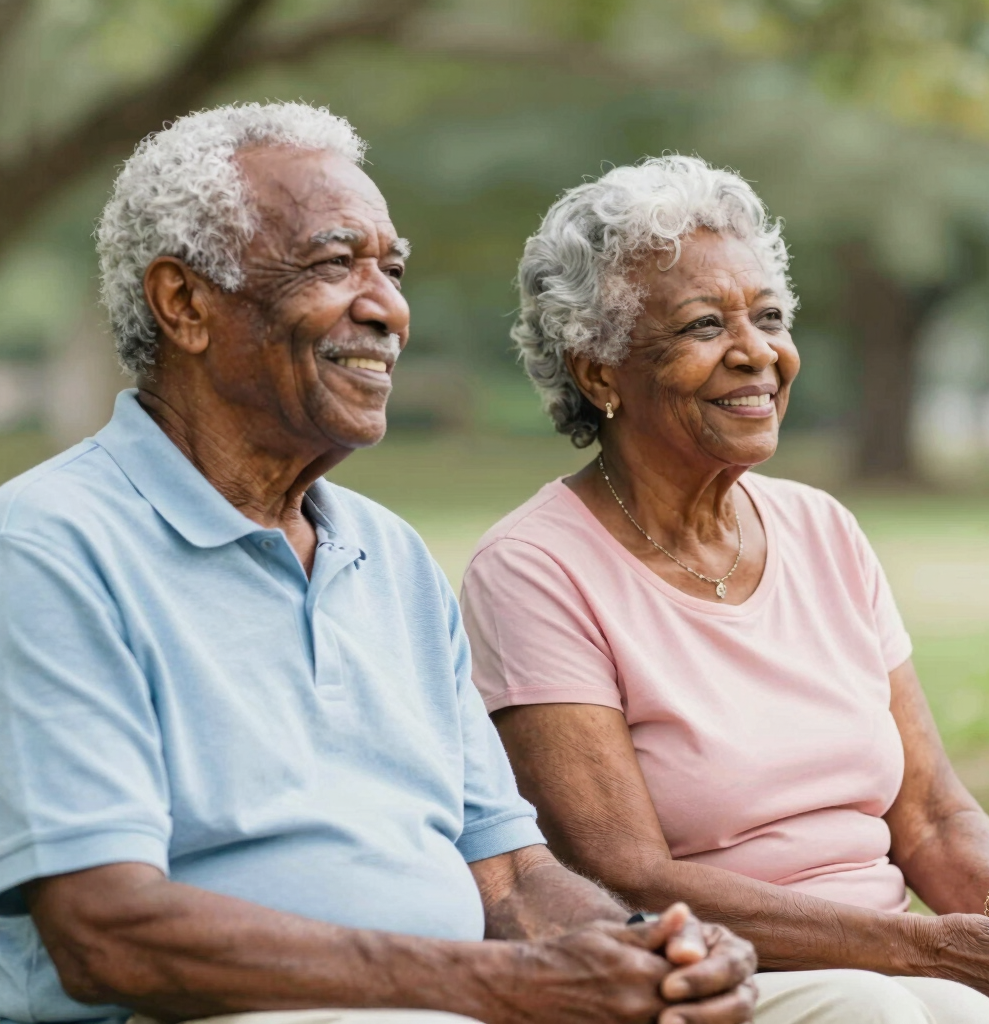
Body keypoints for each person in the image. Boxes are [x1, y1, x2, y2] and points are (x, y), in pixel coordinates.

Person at [0, 106, 761, 1024]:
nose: (388, 308)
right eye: (333, 264)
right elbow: (107, 932)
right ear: (185, 304)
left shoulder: (388, 555)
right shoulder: (45, 549)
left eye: (391, 271)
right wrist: (506, 987)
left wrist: (646, 951)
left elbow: (513, 879)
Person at [459, 155, 989, 1022]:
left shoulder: (822, 528)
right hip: (717, 975)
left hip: (901, 965)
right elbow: (623, 874)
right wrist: (925, 951)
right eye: (701, 326)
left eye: (768, 316)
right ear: (598, 371)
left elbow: (933, 813)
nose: (756, 352)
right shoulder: (534, 568)